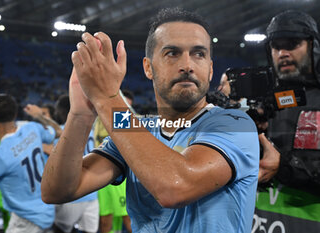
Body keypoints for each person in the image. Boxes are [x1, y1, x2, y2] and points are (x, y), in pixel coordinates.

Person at [41, 8, 259, 233]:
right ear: (148, 67)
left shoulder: (236, 124)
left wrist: (107, 98)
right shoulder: (137, 132)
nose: (187, 65)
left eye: (199, 54)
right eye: (172, 53)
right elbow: (55, 191)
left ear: (211, 69)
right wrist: (80, 115)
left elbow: (175, 187)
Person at [255, 10, 320, 232]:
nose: (282, 53)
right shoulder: (274, 101)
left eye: (292, 44)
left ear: (314, 47)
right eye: (276, 46)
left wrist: (282, 167)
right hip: (265, 220)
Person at [0, 94, 61, 233]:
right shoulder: (32, 128)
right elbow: (58, 131)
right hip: (48, 211)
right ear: (15, 113)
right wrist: (39, 116)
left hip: (27, 221)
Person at [47, 94, 99, 233]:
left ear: (62, 112)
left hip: (72, 192)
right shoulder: (90, 129)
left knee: (59, 228)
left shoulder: (60, 132)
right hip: (92, 192)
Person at [94, 90, 133, 233]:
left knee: (127, 219)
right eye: (124, 105)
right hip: (100, 174)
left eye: (129, 107)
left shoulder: (126, 121)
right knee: (106, 221)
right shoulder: (100, 116)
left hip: (118, 175)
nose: (126, 110)